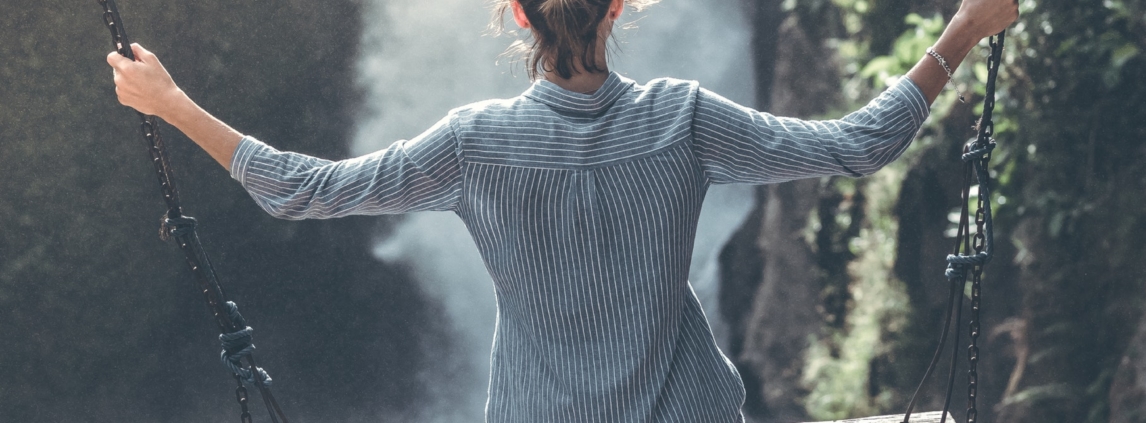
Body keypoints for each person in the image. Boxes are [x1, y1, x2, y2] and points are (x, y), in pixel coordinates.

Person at [107, 0, 1018, 421]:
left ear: (515, 16)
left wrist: (172, 103)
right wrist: (963, 30)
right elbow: (860, 144)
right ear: (621, 9)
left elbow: (303, 188)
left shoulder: (472, 143)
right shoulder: (683, 119)